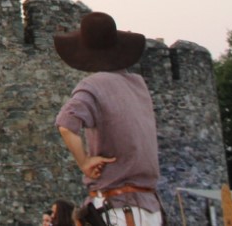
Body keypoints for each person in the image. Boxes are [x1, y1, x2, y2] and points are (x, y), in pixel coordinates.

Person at [54, 11, 162, 226]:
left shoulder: (93, 86)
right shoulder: (139, 86)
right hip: (150, 208)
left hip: (119, 209)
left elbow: (66, 124)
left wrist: (84, 162)